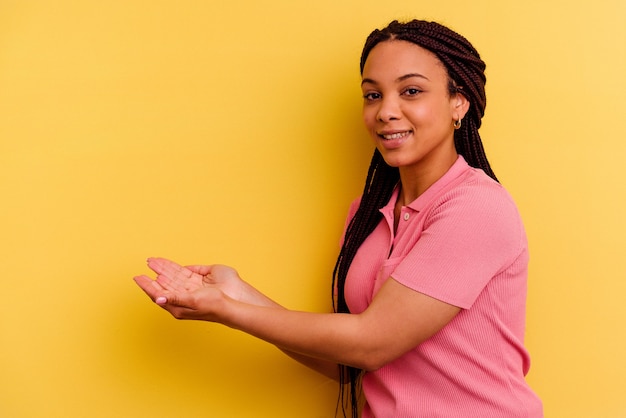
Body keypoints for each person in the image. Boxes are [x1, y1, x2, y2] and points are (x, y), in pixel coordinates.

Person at [134, 19, 543, 418]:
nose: (386, 111)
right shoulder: (368, 216)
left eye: (411, 91)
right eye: (372, 95)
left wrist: (227, 311)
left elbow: (372, 343)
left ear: (459, 101)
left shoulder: (476, 208)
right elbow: (349, 363)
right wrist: (238, 294)